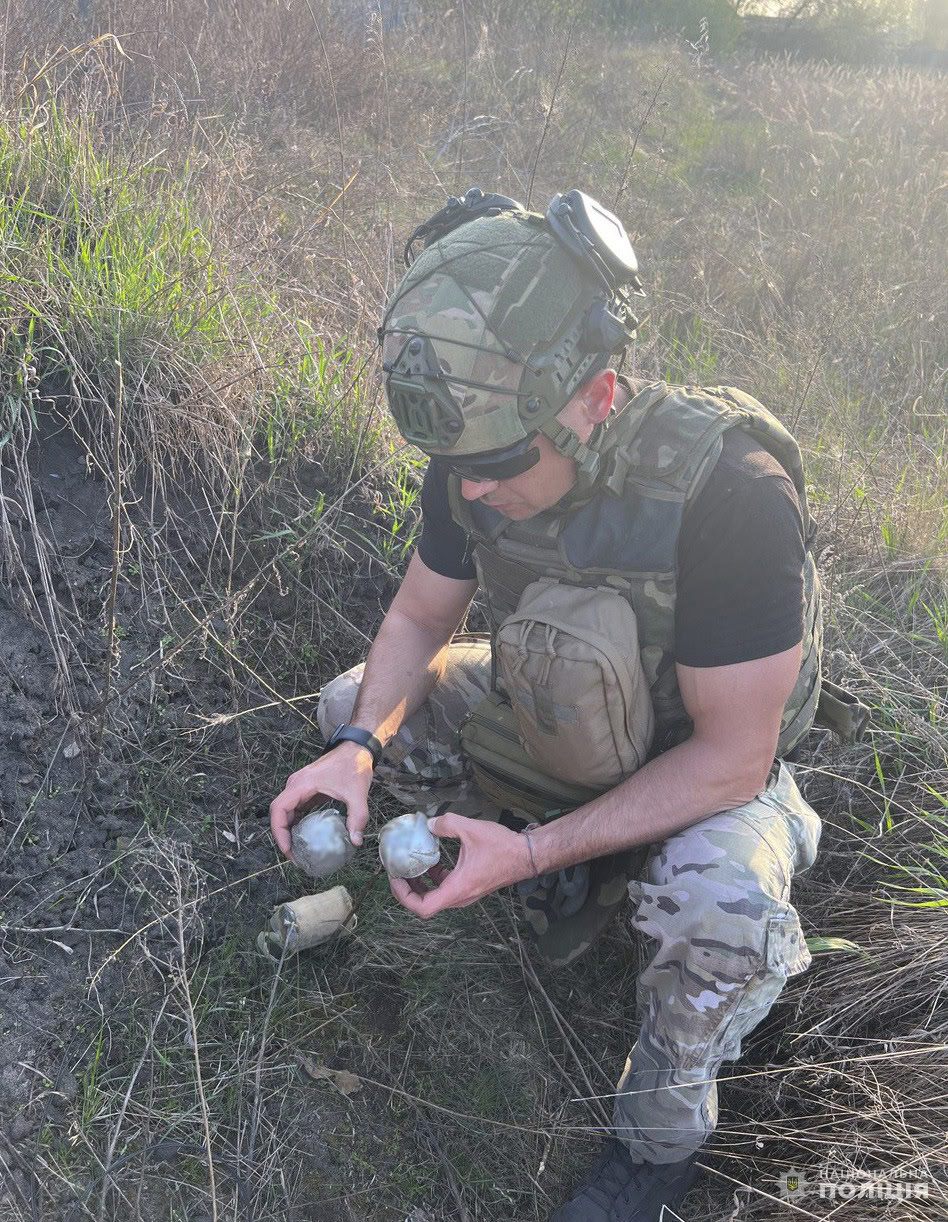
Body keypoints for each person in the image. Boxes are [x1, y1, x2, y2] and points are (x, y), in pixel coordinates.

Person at [270, 188, 840, 1221]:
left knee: (724, 913)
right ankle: (523, 820)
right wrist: (357, 748)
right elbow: (415, 621)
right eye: (456, 468)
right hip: (559, 692)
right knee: (350, 701)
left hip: (706, 758)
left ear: (595, 395)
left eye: (495, 467)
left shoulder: (732, 493)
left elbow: (731, 759)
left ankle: (658, 1147)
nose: (472, 493)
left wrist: (533, 855)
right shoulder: (476, 451)